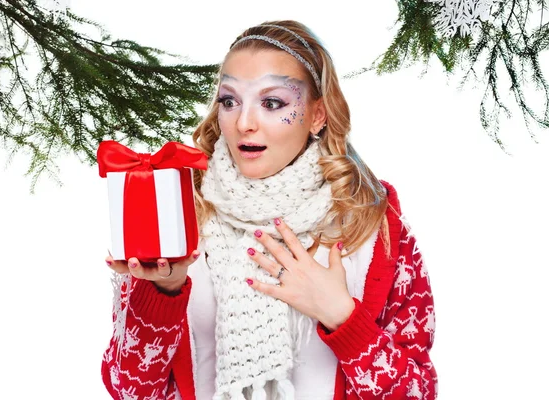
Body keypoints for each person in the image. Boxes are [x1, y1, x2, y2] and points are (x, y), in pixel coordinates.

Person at [102, 20, 437, 400]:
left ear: (318, 115)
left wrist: (342, 316)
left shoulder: (373, 223)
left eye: (272, 102)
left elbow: (417, 393)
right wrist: (162, 293)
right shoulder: (182, 212)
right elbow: (130, 390)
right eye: (229, 101)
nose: (244, 123)